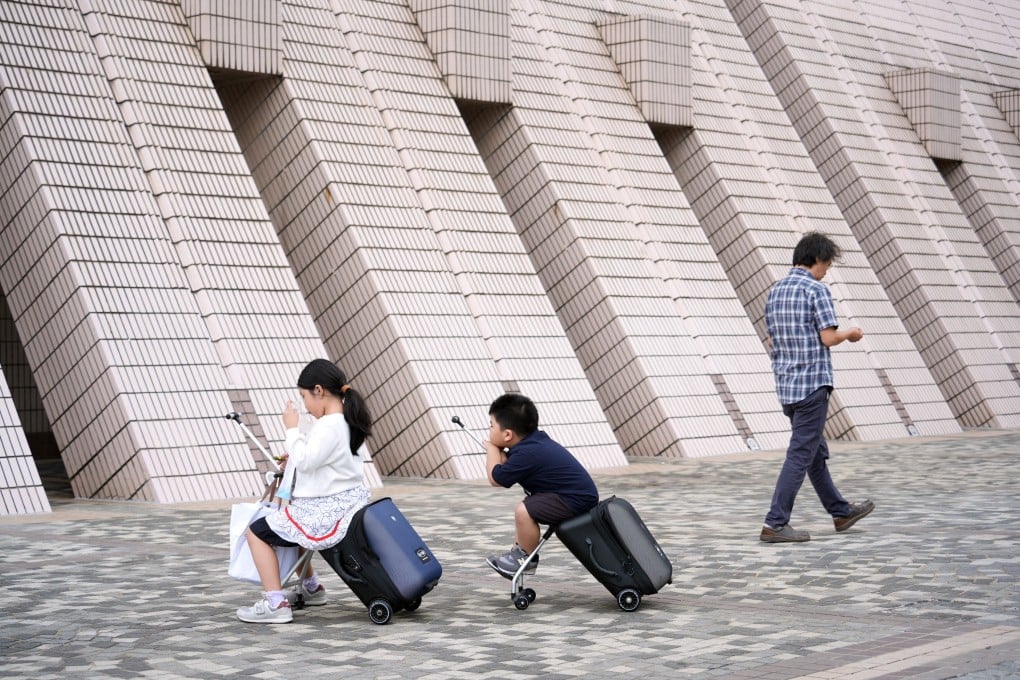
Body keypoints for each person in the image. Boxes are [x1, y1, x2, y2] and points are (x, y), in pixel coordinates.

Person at [236, 359, 372, 623]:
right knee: (293, 527)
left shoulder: (329, 425)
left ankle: (276, 603)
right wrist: (295, 456)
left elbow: (308, 460)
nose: (305, 405)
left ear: (319, 390)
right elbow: (325, 462)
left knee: (256, 532)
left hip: (326, 509)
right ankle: (311, 587)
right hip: (343, 505)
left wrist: (291, 428)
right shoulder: (346, 420)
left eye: (304, 396)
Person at [760, 232, 874, 543]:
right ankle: (775, 522)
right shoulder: (816, 289)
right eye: (827, 264)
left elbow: (774, 338)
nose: (827, 270)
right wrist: (850, 333)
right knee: (801, 454)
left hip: (786, 386)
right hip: (812, 385)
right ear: (818, 260)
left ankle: (840, 511)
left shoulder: (776, 292)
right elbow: (828, 337)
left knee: (813, 452)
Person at [484, 393, 599, 577]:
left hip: (574, 498)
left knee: (525, 510)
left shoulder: (527, 453)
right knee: (529, 506)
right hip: (576, 494)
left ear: (507, 434)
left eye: (491, 426)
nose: (488, 431)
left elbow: (496, 478)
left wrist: (491, 449)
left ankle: (525, 559)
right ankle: (518, 554)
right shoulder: (533, 443)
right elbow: (509, 467)